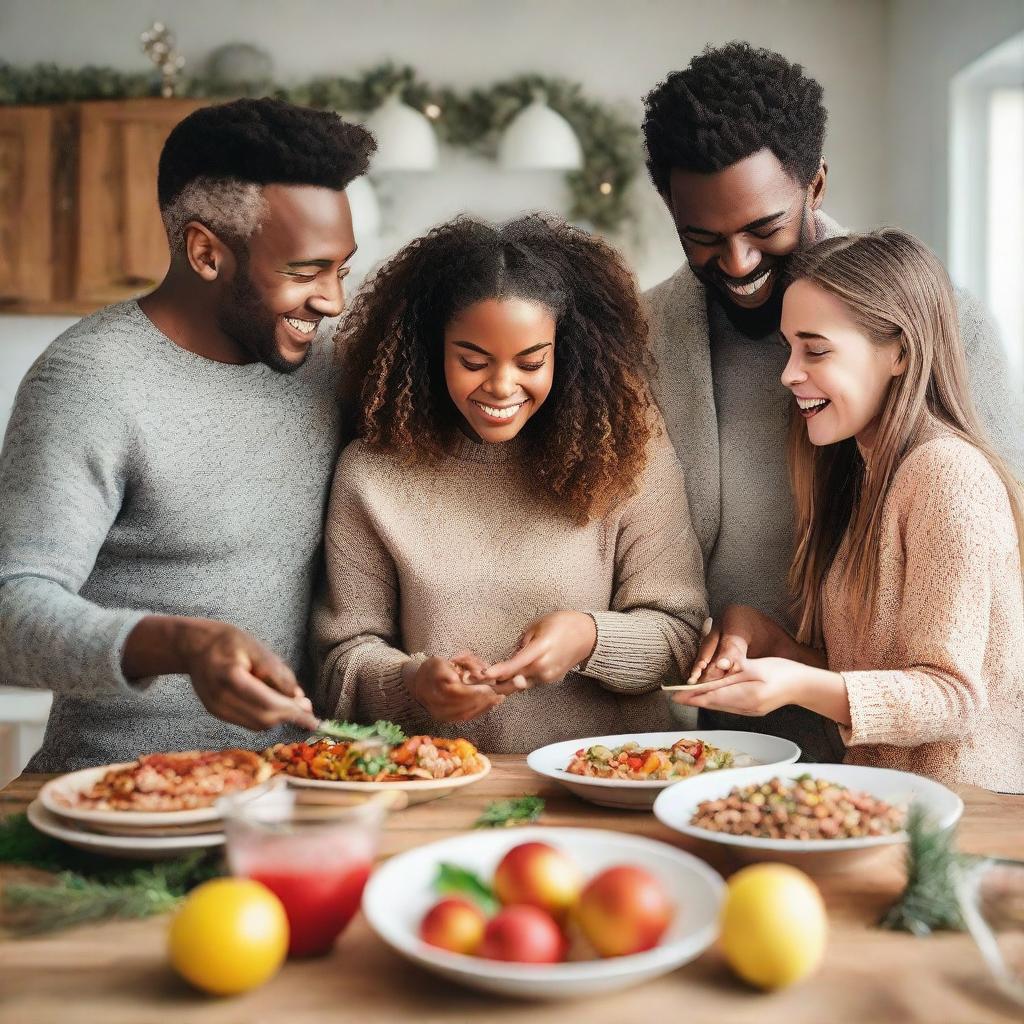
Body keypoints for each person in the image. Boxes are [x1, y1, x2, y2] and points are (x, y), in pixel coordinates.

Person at [641, 41, 1024, 760]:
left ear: (814, 185)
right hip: (747, 727)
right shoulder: (648, 332)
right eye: (704, 238)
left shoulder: (943, 331)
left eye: (764, 228)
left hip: (933, 756)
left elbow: (986, 586)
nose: (739, 264)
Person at [0, 98, 375, 770]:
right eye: (303, 272)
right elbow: (10, 610)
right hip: (117, 795)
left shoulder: (330, 371)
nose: (333, 301)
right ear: (206, 252)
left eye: (340, 269)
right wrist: (178, 643)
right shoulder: (88, 382)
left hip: (301, 793)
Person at [313, 215, 707, 752]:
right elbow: (340, 663)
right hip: (442, 786)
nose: (501, 387)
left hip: (603, 785)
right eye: (473, 361)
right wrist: (413, 683)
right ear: (431, 350)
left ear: (565, 353)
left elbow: (682, 640)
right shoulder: (372, 475)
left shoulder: (628, 458)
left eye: (531, 362)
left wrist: (589, 640)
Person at [674, 230, 1024, 791]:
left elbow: (953, 697)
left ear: (899, 353)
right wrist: (773, 643)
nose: (788, 373)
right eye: (789, 347)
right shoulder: (871, 474)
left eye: (815, 350)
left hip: (961, 818)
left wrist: (792, 683)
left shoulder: (947, 476)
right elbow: (880, 686)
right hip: (890, 801)